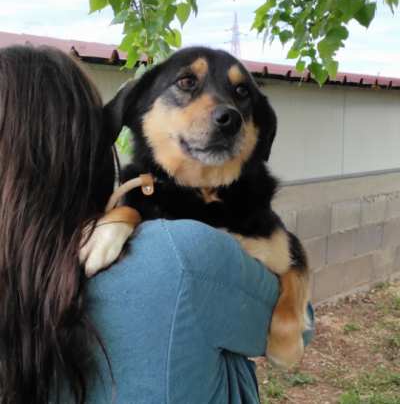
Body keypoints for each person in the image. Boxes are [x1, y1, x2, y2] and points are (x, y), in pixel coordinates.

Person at [0, 45, 313, 404]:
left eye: (240, 95)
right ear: (94, 140)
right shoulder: (184, 258)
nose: (225, 111)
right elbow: (302, 326)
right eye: (186, 84)